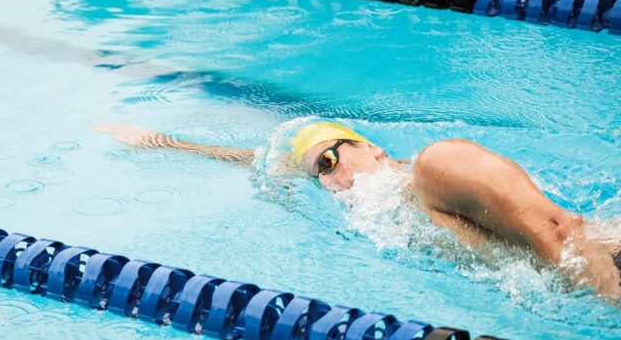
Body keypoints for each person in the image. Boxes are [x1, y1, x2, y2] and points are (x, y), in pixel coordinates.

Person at [93, 121, 621, 300]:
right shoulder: (402, 214)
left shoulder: (437, 165)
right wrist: (166, 144)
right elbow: (260, 161)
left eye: (331, 159)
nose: (331, 179)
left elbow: (562, 228)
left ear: (373, 150)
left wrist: (609, 305)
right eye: (318, 176)